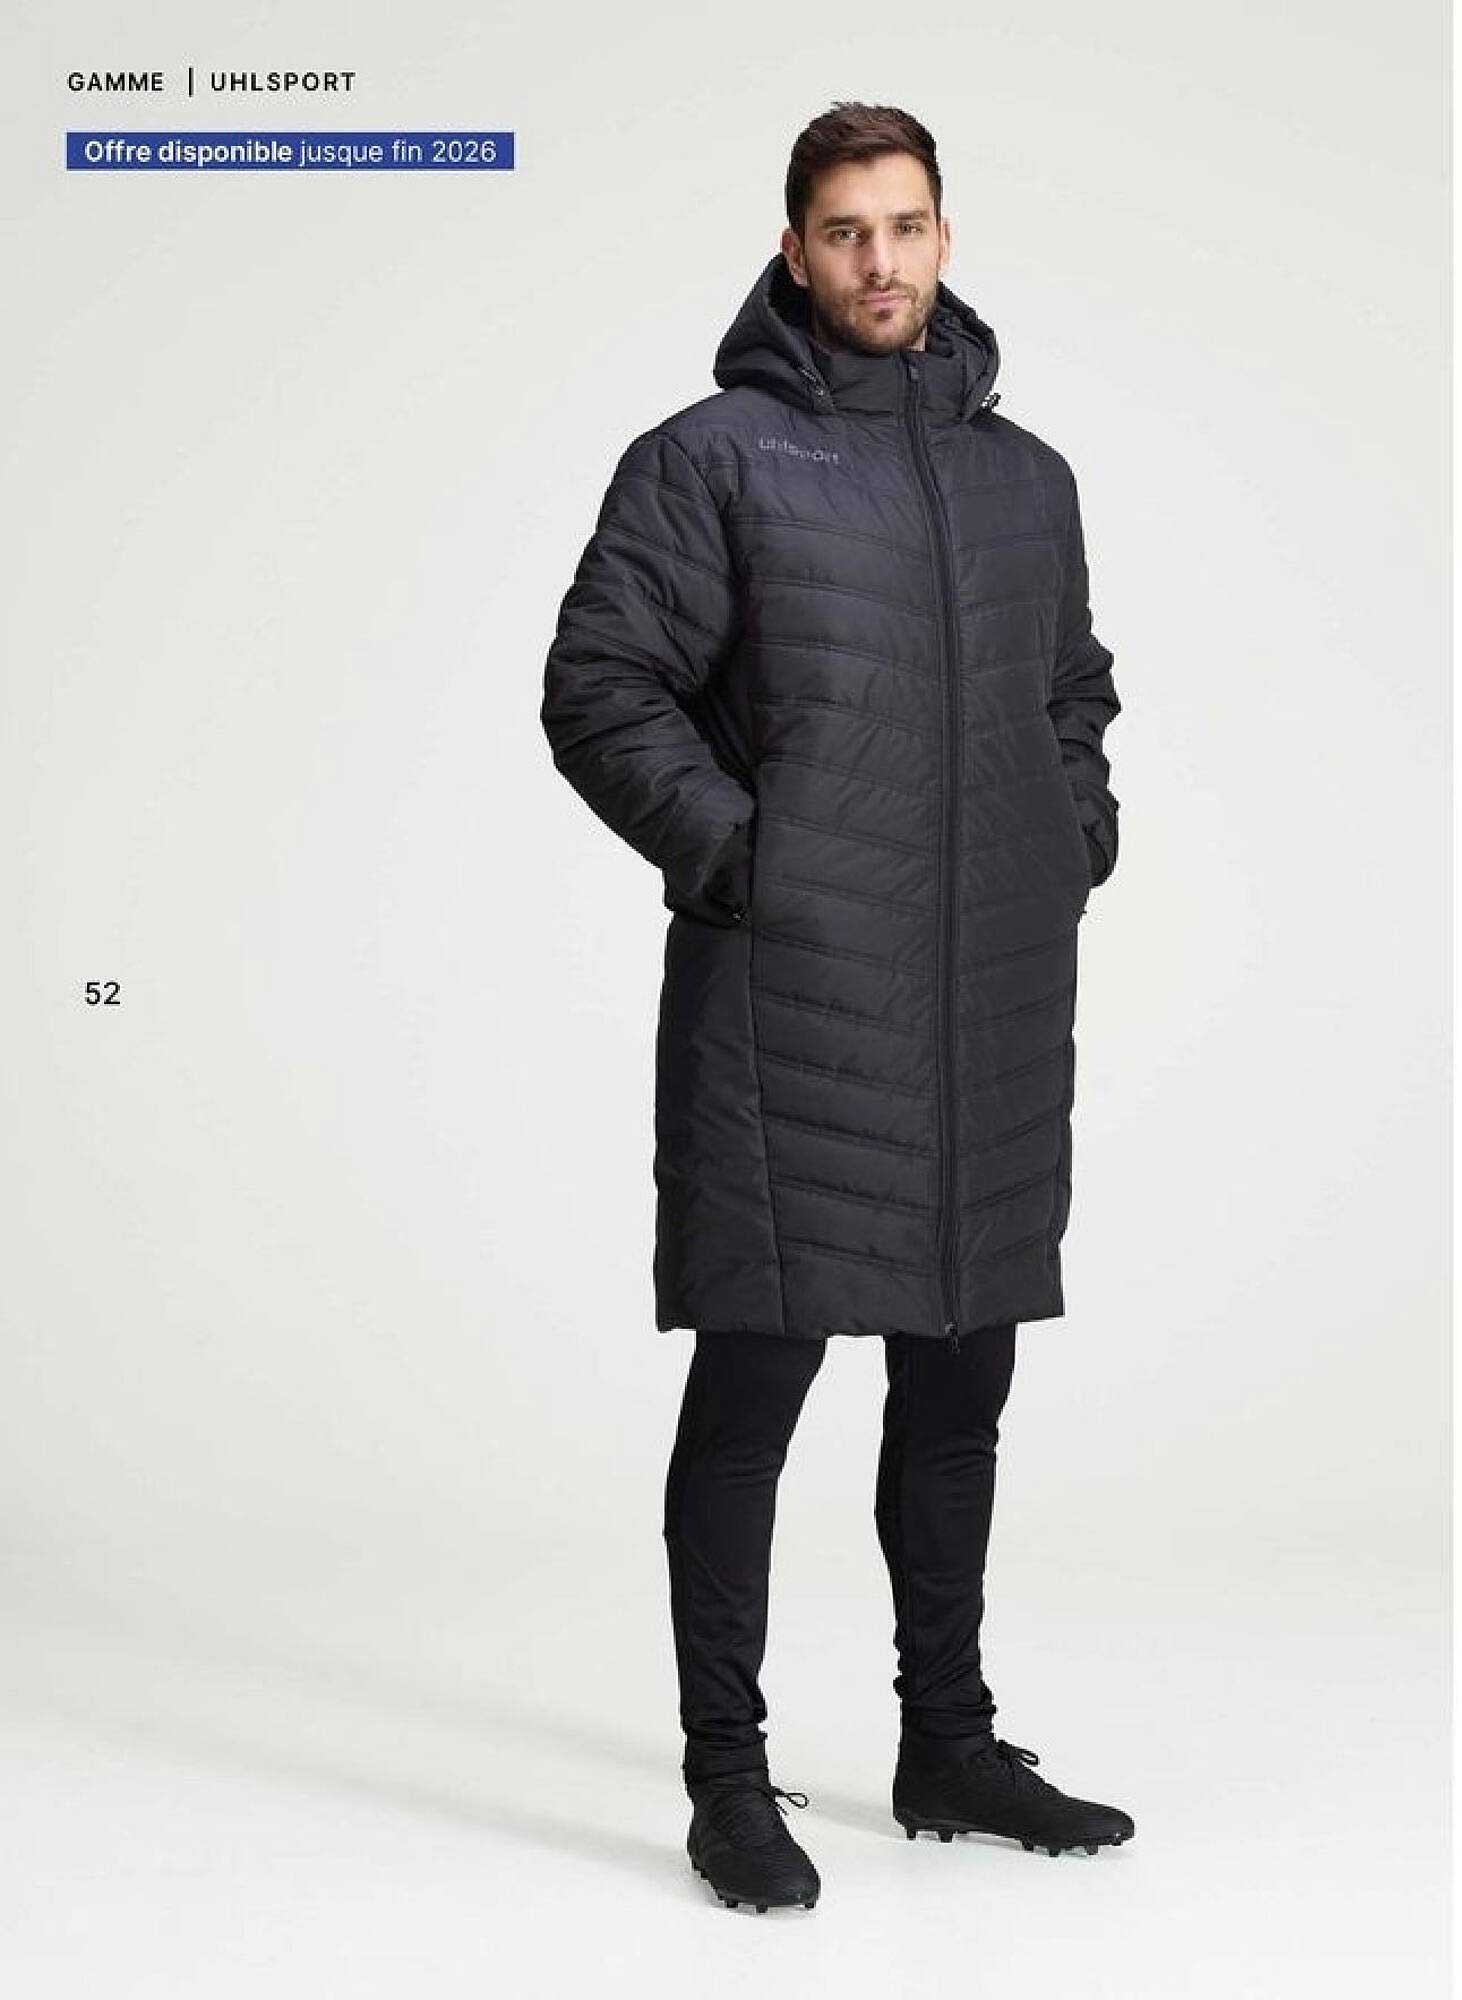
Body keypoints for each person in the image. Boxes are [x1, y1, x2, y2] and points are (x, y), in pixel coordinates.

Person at [540, 100, 1133, 1912]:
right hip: (786, 999)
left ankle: (945, 1741)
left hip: (987, 996)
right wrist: (749, 861)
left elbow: (1071, 690)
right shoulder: (709, 459)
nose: (880, 260)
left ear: (945, 237)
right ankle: (728, 1780)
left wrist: (1070, 834)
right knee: (753, 1388)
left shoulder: (1026, 477)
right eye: (845, 231)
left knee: (959, 1380)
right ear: (793, 252)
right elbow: (600, 685)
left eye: (907, 225)